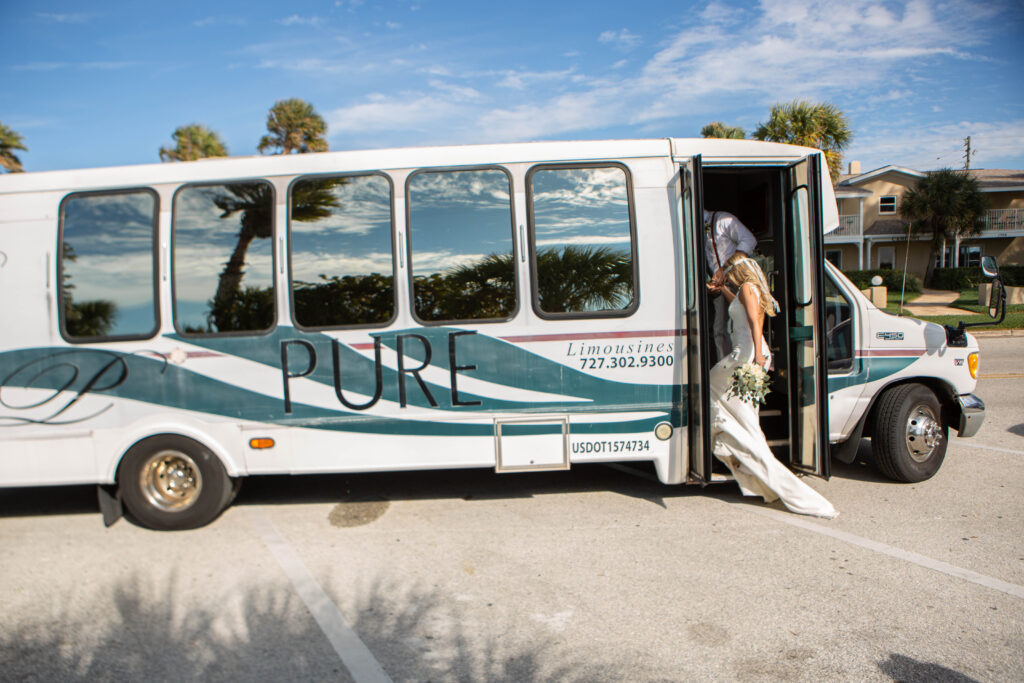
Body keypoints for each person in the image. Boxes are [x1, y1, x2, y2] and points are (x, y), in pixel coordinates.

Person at [707, 254, 837, 518]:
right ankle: (746, 456)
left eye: (729, 272)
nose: (728, 276)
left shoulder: (747, 288)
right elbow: (743, 310)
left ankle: (747, 454)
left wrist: (757, 356)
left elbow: (755, 323)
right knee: (745, 418)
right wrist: (723, 292)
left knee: (710, 386)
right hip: (745, 354)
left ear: (738, 271)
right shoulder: (747, 290)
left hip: (744, 355)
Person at [704, 210, 757, 361]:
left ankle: (734, 367)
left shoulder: (723, 221)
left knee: (727, 329)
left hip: (734, 282)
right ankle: (725, 367)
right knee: (718, 330)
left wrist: (725, 269)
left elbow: (749, 240)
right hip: (719, 286)